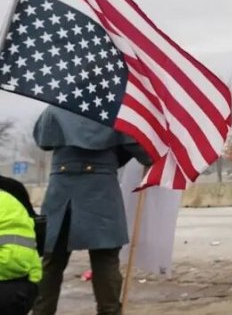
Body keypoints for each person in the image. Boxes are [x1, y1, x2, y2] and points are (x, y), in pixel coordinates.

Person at [30, 107, 151, 315]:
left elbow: (42, 140)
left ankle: (42, 312)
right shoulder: (115, 109)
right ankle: (110, 311)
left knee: (52, 262)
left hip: (61, 191)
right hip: (101, 190)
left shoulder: (55, 106)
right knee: (105, 259)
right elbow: (142, 151)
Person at [0, 174, 42, 315]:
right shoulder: (11, 189)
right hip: (21, 285)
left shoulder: (7, 192)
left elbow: (15, 261)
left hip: (11, 283)